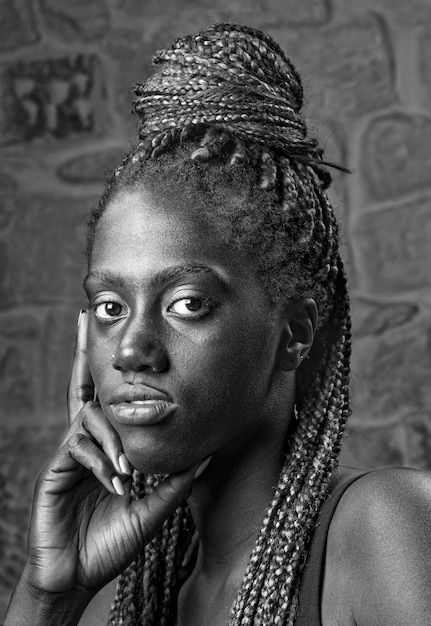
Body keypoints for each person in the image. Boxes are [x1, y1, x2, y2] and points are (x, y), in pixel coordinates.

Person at [4, 22, 431, 626]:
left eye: (186, 303)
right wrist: (50, 596)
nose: (131, 349)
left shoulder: (386, 532)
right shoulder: (113, 603)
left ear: (296, 331)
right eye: (109, 308)